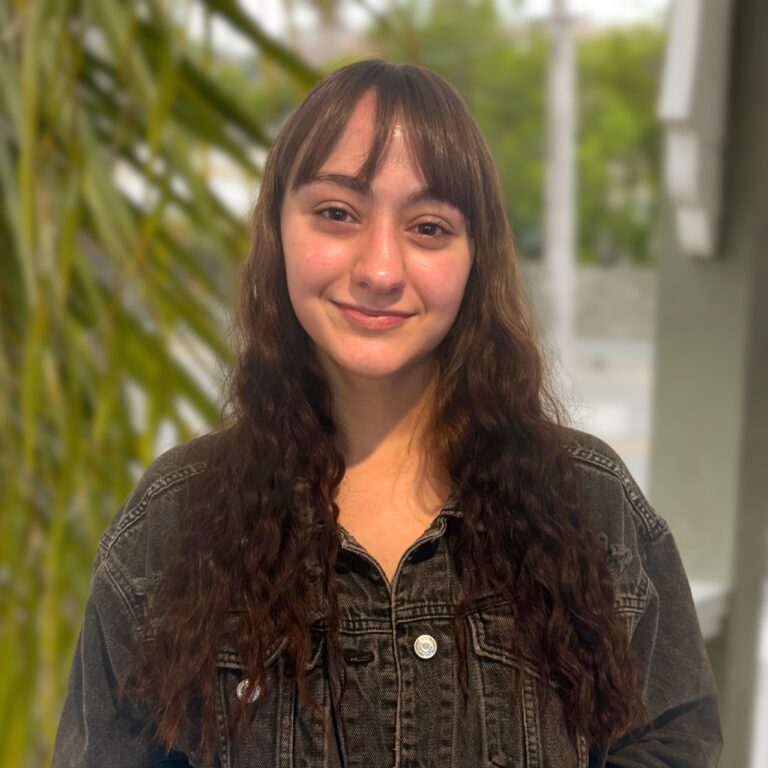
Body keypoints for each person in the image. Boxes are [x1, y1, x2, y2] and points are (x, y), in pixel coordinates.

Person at [53, 59, 721, 767]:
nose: (379, 270)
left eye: (428, 227)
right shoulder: (174, 522)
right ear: (278, 227)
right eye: (337, 213)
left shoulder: (590, 502)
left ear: (476, 257)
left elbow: (674, 744)